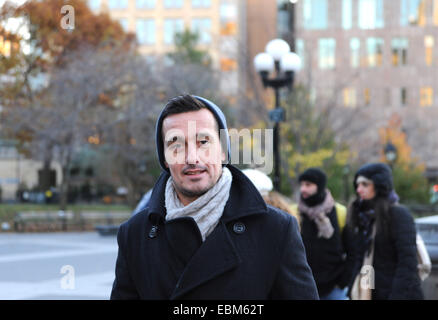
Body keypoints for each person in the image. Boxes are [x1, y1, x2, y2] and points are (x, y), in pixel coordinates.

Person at [111, 94, 319, 299]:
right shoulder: (134, 234)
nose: (192, 158)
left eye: (203, 142)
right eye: (176, 144)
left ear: (222, 150)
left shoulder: (276, 230)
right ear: (165, 158)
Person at [345, 163, 424, 300]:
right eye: (357, 185)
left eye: (365, 184)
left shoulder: (398, 214)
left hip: (398, 293)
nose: (358, 189)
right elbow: (362, 261)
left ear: (379, 185)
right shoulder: (364, 216)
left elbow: (407, 264)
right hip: (372, 292)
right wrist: (355, 291)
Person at [297, 168, 350, 300]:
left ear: (319, 186)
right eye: (302, 185)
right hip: (302, 287)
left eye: (308, 185)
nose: (303, 189)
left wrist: (343, 280)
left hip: (335, 288)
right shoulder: (294, 212)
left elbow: (352, 250)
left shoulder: (340, 212)